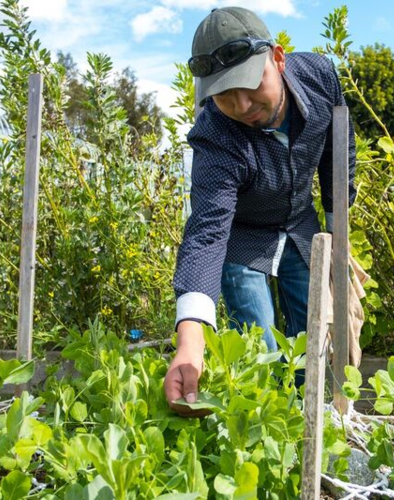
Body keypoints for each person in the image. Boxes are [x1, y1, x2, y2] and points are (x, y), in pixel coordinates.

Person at [164, 6, 355, 416]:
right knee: (263, 350)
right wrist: (190, 341)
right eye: (224, 94)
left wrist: (338, 232)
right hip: (243, 239)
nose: (242, 103)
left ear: (278, 59)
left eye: (251, 84)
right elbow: (207, 233)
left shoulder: (321, 78)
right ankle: (269, 428)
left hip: (301, 228)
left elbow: (338, 156)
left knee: (313, 341)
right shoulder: (215, 135)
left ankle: (314, 425)